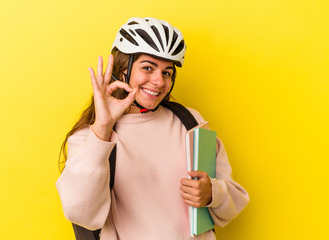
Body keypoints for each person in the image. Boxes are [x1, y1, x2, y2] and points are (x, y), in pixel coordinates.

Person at [56, 17, 249, 240]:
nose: (159, 81)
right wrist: (102, 128)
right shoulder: (88, 140)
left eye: (167, 72)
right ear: (123, 69)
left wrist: (212, 194)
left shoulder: (190, 122)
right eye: (148, 68)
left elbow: (235, 202)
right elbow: (81, 213)